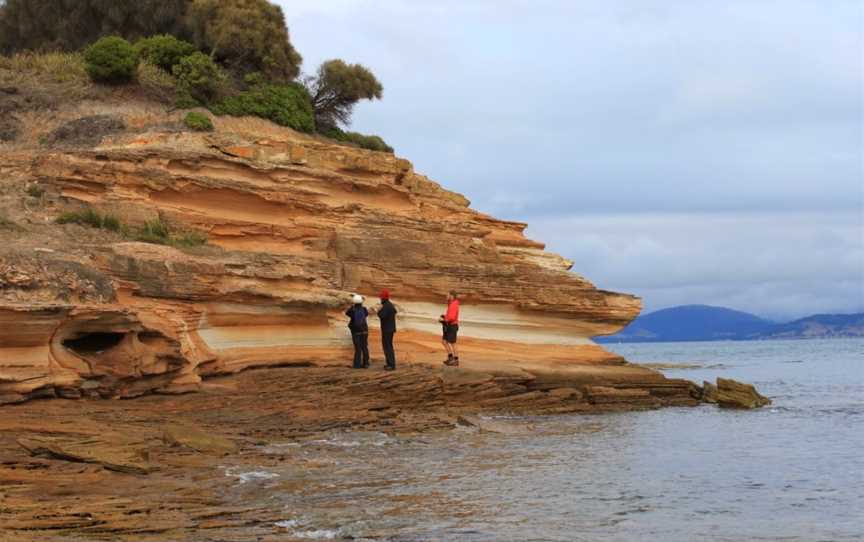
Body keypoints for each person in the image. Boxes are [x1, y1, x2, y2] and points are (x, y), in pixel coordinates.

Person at [345, 294, 370, 369]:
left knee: (358, 348)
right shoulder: (364, 309)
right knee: (364, 347)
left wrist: (352, 306)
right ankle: (366, 364)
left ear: (354, 302)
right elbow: (366, 314)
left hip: (356, 332)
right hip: (365, 331)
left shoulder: (352, 310)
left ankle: (357, 365)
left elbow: (347, 313)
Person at [376, 288, 398, 370]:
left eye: (381, 297)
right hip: (390, 329)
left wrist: (378, 310)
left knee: (387, 347)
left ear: (383, 298)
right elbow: (395, 311)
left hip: (387, 329)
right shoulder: (390, 305)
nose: (380, 299)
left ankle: (391, 365)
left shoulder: (386, 306)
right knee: (389, 346)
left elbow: (381, 315)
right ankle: (390, 364)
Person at [441, 291, 460, 366]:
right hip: (449, 325)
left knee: (453, 343)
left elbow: (452, 317)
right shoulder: (451, 303)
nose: (446, 296)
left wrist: (444, 320)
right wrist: (444, 317)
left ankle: (456, 360)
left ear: (451, 296)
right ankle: (451, 358)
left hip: (452, 326)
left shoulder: (454, 305)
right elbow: (450, 315)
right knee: (444, 341)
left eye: (447, 295)